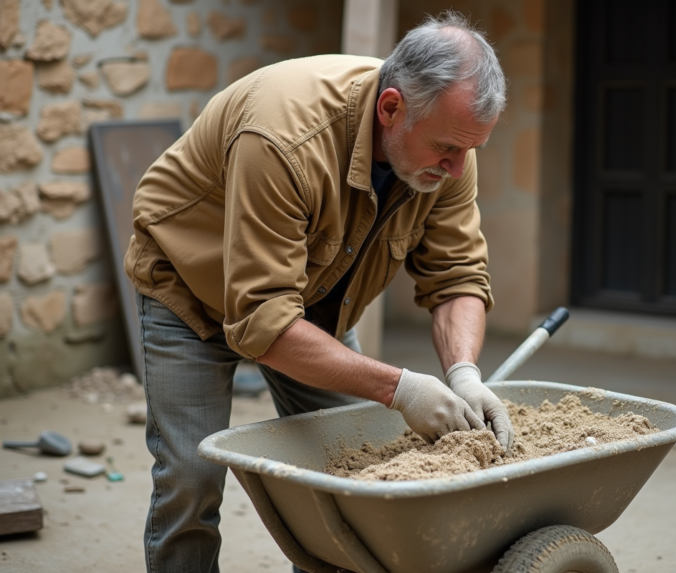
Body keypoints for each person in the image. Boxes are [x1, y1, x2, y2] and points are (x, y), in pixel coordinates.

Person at [124, 11, 512, 573]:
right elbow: (264, 322)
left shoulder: (452, 150)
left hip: (314, 299)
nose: (456, 169)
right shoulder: (282, 136)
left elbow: (456, 277)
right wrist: (400, 388)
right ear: (391, 108)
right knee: (192, 475)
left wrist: (463, 374)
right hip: (191, 287)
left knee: (354, 467)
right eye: (446, 149)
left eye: (467, 151)